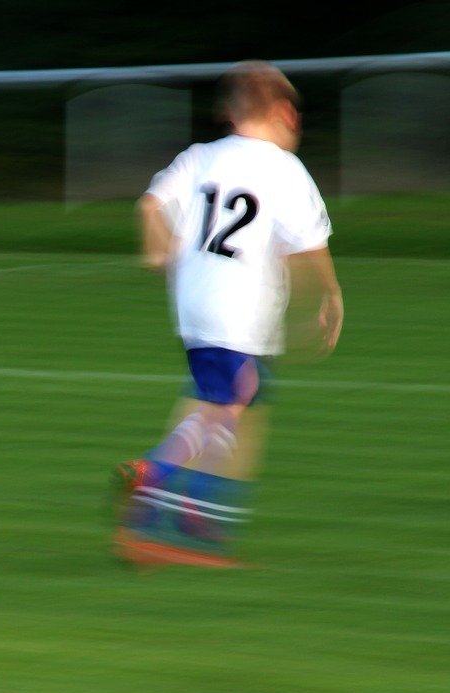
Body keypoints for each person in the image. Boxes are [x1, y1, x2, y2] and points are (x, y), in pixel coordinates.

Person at [113, 60, 344, 568]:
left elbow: (149, 205)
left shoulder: (200, 156)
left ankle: (189, 507)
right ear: (284, 113)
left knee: (229, 398)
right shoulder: (285, 170)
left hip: (194, 309)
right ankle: (157, 483)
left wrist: (157, 247)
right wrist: (330, 294)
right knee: (229, 402)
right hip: (239, 311)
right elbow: (310, 242)